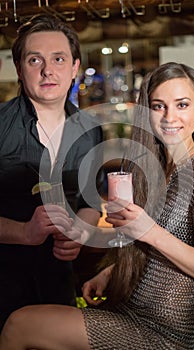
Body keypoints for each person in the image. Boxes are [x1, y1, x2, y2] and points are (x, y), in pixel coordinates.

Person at [0, 62, 194, 350]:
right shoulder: (159, 169)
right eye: (158, 106)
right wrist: (111, 273)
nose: (170, 117)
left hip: (161, 334)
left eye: (182, 105)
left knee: (19, 325)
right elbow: (162, 254)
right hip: (130, 312)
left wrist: (148, 230)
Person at [0, 14, 103, 333]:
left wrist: (80, 233)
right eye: (35, 60)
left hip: (60, 287)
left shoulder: (90, 131)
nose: (48, 70)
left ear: (74, 67)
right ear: (19, 68)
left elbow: (90, 202)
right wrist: (23, 233)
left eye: (58, 59)